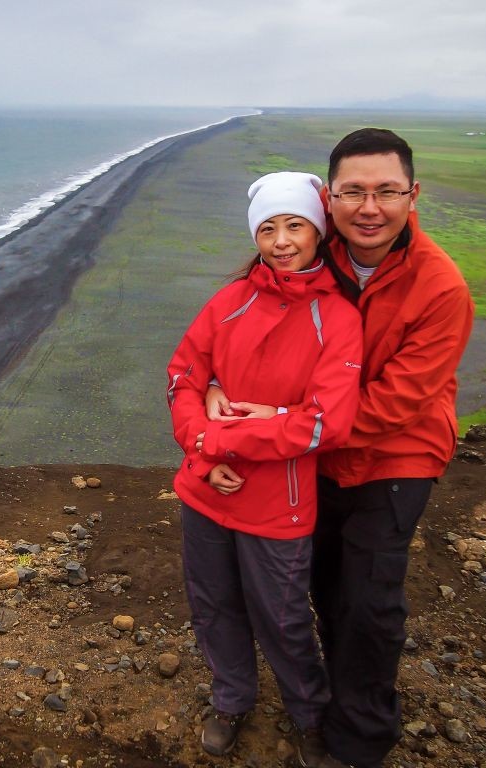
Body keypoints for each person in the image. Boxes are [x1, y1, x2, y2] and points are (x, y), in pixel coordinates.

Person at [207, 129, 475, 767]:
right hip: (308, 449)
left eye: (387, 191)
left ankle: (358, 742)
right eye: (353, 192)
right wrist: (218, 379)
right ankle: (316, 701)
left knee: (367, 600)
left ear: (414, 195)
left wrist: (289, 421)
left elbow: (394, 406)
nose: (369, 207)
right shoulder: (305, 248)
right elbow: (244, 317)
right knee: (316, 583)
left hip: (394, 456)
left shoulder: (440, 289)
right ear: (329, 197)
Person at [167, 171, 363, 766]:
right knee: (213, 602)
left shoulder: (338, 315)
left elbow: (328, 422)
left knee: (280, 616)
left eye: (295, 225)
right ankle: (232, 697)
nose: (281, 240)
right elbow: (182, 375)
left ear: (318, 229)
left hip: (280, 500)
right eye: (268, 227)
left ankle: (308, 715)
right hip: (206, 488)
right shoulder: (228, 301)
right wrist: (203, 447)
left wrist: (229, 441)